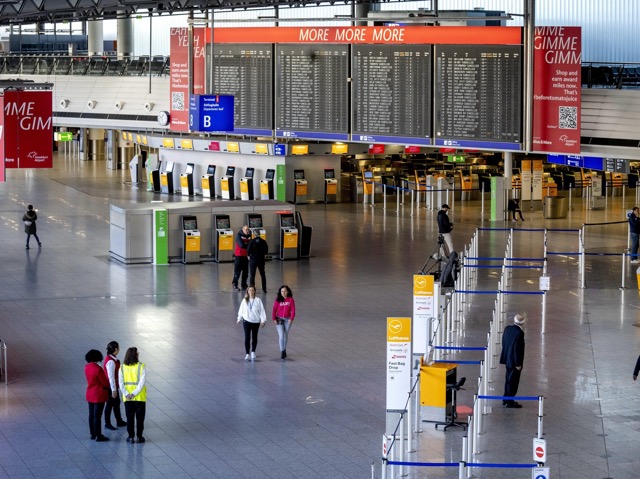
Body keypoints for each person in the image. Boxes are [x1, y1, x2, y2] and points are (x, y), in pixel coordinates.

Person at [119, 347, 147, 444]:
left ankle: (130, 437)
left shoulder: (122, 367)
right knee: (140, 418)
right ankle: (139, 437)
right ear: (135, 355)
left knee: (129, 417)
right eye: (137, 353)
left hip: (127, 398)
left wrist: (127, 394)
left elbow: (121, 383)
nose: (138, 354)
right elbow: (141, 383)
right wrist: (134, 393)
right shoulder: (141, 366)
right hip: (139, 397)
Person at [500, 313, 526, 408]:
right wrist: (518, 364)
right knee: (513, 382)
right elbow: (517, 349)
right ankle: (509, 401)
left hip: (507, 359)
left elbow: (504, 342)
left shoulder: (507, 329)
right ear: (523, 323)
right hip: (514, 362)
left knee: (508, 380)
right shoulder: (520, 333)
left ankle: (505, 398)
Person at [84, 349, 110, 442]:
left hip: (90, 393)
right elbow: (105, 383)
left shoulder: (86, 367)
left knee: (91, 415)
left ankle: (93, 434)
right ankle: (99, 435)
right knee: (97, 416)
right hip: (98, 395)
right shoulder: (98, 369)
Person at [237, 286, 267, 360]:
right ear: (247, 291)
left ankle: (253, 351)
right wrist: (239, 318)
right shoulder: (244, 300)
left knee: (254, 337)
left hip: (255, 322)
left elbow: (262, 311)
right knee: (247, 337)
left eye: (252, 290)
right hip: (246, 321)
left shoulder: (258, 300)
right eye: (249, 290)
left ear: (255, 291)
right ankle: (247, 353)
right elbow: (241, 310)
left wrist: (263, 320)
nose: (251, 291)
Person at [103, 341, 127, 431]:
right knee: (109, 405)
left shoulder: (112, 359)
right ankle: (107, 423)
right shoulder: (111, 362)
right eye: (118, 347)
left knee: (116, 403)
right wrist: (113, 390)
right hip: (111, 387)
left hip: (113, 386)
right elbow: (111, 377)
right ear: (116, 349)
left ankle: (119, 420)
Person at [272, 285, 296, 359]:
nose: (283, 293)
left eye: (285, 291)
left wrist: (291, 318)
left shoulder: (290, 300)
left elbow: (293, 309)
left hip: (287, 319)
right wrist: (274, 319)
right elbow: (274, 309)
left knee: (285, 334)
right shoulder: (278, 299)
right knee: (281, 335)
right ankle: (282, 351)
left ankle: (284, 349)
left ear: (287, 291)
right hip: (279, 318)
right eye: (282, 291)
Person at [232, 225, 251, 291]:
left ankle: (244, 284)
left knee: (245, 272)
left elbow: (251, 244)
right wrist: (248, 245)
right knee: (237, 271)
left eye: (248, 229)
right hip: (239, 256)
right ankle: (235, 284)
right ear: (243, 229)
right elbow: (241, 245)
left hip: (245, 256)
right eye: (246, 229)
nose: (247, 231)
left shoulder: (249, 236)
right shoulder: (238, 236)